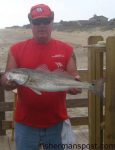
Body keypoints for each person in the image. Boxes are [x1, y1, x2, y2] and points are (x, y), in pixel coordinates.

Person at [1, 4, 81, 150]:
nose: (41, 25)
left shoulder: (67, 49)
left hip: (57, 122)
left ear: (52, 22)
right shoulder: (15, 49)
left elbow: (73, 75)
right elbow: (6, 77)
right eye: (37, 22)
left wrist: (75, 83)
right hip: (25, 124)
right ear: (31, 24)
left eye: (46, 21)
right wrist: (8, 82)